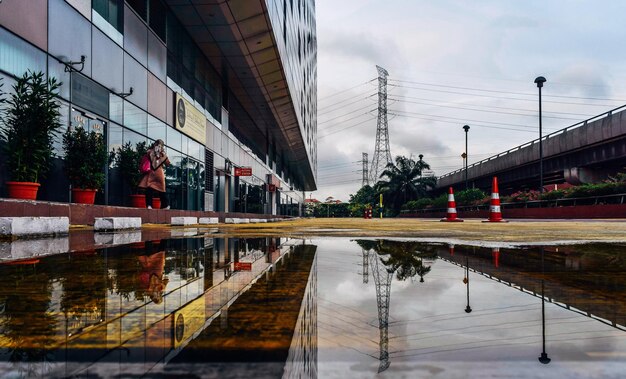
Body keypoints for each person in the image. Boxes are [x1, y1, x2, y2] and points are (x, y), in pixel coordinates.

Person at [138, 139, 171, 209]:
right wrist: (153, 152)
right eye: (156, 145)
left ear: (162, 147)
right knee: (149, 189)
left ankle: (165, 205)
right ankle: (149, 205)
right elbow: (146, 158)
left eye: (160, 146)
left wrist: (162, 154)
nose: (157, 147)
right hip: (151, 173)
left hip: (159, 174)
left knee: (162, 190)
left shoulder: (163, 154)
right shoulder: (150, 152)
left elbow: (168, 164)